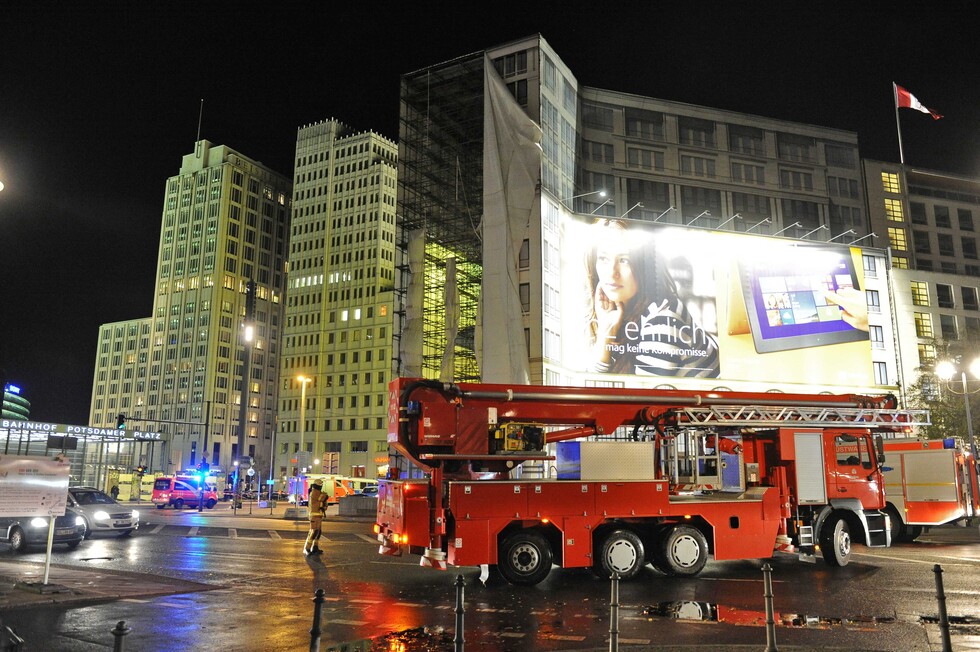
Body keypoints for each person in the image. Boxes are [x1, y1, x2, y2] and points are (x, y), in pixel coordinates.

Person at [584, 218, 720, 377]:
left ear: (644, 266)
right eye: (603, 259)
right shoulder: (617, 314)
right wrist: (604, 335)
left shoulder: (662, 320)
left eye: (624, 260)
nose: (612, 272)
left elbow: (638, 399)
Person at [303, 479, 328, 555]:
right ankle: (307, 548)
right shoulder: (314, 492)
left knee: (318, 532)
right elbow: (322, 498)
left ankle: (315, 547)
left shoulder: (317, 492)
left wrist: (324, 505)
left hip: (318, 515)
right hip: (314, 515)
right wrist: (325, 496)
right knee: (314, 531)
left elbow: (323, 502)